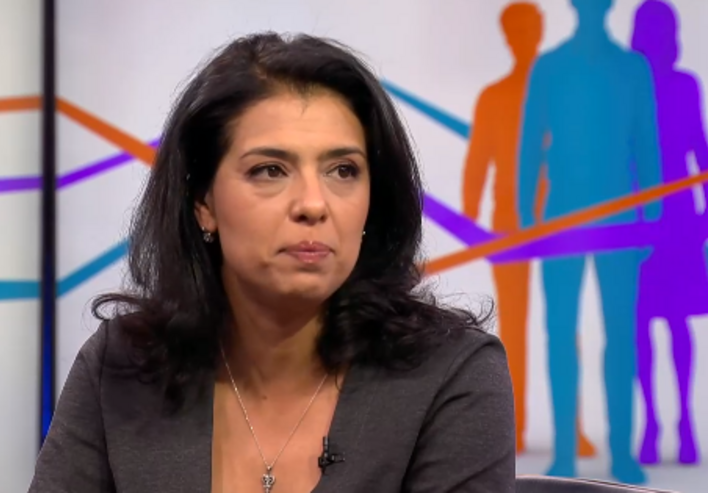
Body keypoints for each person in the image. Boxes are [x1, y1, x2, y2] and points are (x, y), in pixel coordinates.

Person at [29, 32, 515, 493]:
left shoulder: (451, 375)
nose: (313, 204)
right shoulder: (120, 368)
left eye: (343, 170)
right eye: (270, 170)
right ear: (203, 202)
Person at [517, 0, 662, 484]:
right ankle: (564, 452)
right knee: (561, 333)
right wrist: (526, 216)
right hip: (563, 215)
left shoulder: (632, 68)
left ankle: (621, 452)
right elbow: (530, 142)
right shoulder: (550, 67)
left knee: (621, 334)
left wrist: (651, 216)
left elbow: (647, 142)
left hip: (618, 215)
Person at [461, 2, 596, 457]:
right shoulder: (494, 96)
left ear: (539, 32)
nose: (523, 38)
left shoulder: (563, 94)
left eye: (529, 29)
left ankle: (570, 428)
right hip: (508, 225)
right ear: (507, 37)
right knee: (512, 330)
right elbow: (478, 159)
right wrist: (468, 217)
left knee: (563, 326)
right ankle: (513, 429)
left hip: (559, 221)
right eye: (515, 31)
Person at [631, 0, 706, 466]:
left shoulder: (684, 85)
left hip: (677, 218)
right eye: (650, 29)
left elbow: (700, 147)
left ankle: (684, 420)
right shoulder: (627, 88)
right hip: (637, 218)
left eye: (662, 29)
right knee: (639, 323)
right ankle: (653, 423)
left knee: (677, 321)